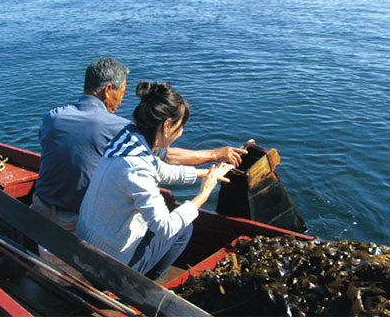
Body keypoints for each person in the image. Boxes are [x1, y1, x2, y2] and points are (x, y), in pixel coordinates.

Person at [32, 57, 247, 233]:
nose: (121, 101)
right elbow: (167, 157)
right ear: (108, 90)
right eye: (121, 94)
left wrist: (202, 173)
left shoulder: (52, 117)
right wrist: (214, 154)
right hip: (74, 222)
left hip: (37, 208)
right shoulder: (119, 129)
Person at [76, 81, 234, 280]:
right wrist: (204, 193)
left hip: (86, 248)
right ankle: (148, 284)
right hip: (106, 267)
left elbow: (158, 169)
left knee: (168, 216)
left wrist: (204, 174)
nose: (182, 132)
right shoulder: (136, 167)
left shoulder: (127, 139)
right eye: (180, 126)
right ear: (167, 125)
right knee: (183, 228)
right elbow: (165, 228)